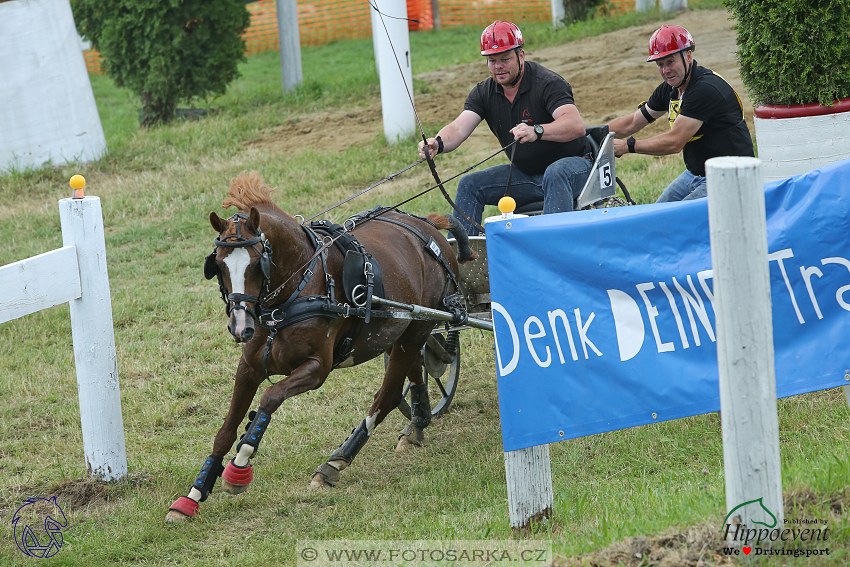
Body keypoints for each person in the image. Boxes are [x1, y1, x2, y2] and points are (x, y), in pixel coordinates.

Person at [418, 20, 592, 235]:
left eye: (505, 59)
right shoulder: (484, 92)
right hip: (527, 176)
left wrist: (537, 131)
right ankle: (464, 260)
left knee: (555, 173)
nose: (498, 66)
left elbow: (575, 126)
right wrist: (438, 143)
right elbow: (459, 128)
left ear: (521, 56)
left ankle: (552, 250)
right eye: (492, 61)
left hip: (572, 169)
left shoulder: (548, 83)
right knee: (469, 184)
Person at [607, 25, 754, 202]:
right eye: (660, 65)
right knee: (658, 217)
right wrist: (592, 134)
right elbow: (632, 122)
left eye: (670, 62)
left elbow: (674, 142)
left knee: (677, 221)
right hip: (696, 174)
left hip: (731, 175)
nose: (665, 71)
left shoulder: (704, 89)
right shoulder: (670, 88)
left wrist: (628, 146)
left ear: (688, 56)